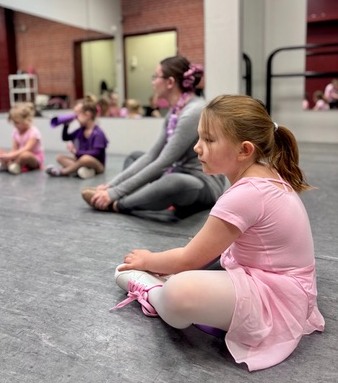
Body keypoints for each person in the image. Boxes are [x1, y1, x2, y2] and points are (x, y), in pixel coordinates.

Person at [110, 94, 325, 372]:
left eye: (209, 140)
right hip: (288, 287)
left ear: (244, 150)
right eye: (199, 138)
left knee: (179, 293)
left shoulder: (246, 193)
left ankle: (153, 293)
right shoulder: (263, 172)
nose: (198, 148)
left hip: (277, 297)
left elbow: (189, 259)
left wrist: (148, 261)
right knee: (199, 259)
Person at [81, 55, 226, 218]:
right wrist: (110, 186)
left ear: (170, 82)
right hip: (177, 170)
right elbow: (152, 155)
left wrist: (114, 194)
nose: (153, 82)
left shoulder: (192, 112)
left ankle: (118, 204)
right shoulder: (175, 112)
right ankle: (138, 197)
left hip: (201, 184)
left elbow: (164, 161)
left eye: (156, 77)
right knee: (135, 157)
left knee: (172, 182)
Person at [46, 94, 109, 179]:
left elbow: (96, 153)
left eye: (77, 114)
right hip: (80, 162)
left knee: (85, 158)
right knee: (59, 157)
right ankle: (83, 171)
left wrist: (76, 152)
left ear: (88, 115)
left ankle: (63, 171)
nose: (75, 117)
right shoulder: (80, 130)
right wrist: (66, 126)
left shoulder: (98, 133)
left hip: (97, 165)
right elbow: (65, 137)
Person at [0, 102, 44, 174]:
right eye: (13, 122)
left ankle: (8, 165)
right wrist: (7, 156)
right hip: (19, 155)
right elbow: (14, 148)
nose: (14, 125)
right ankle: (11, 165)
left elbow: (26, 149)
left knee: (25, 155)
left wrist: (10, 156)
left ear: (26, 121)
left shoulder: (34, 132)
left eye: (17, 122)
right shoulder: (16, 132)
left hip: (33, 157)